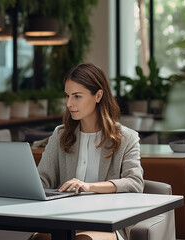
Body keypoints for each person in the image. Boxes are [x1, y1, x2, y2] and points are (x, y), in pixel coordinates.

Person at [33, 63, 144, 240]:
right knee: (40, 238)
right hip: (65, 220)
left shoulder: (126, 138)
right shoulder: (61, 134)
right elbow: (42, 179)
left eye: (77, 96)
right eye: (67, 96)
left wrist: (89, 187)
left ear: (98, 95)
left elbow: (134, 183)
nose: (69, 103)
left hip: (107, 221)